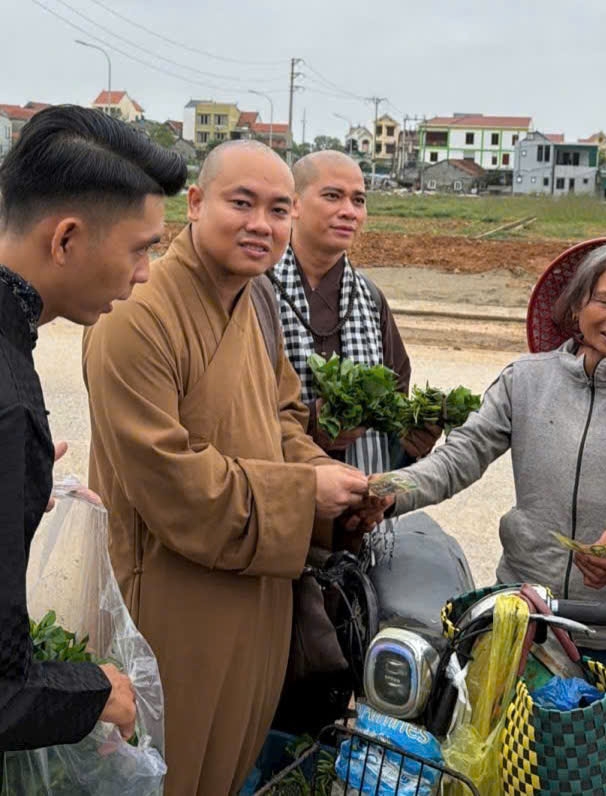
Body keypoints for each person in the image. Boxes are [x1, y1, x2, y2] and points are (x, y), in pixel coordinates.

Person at [370, 240, 606, 796]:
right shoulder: (525, 381)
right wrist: (388, 490)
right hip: (529, 629)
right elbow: (461, 456)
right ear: (577, 305)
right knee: (520, 778)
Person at [82, 140, 370, 795]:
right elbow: (169, 477)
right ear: (194, 203)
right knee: (165, 771)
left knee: (230, 766)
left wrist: (336, 484)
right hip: (170, 595)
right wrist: (304, 493)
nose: (260, 225)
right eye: (241, 203)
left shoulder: (255, 301)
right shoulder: (137, 314)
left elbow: (284, 421)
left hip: (259, 584)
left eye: (277, 210)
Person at [0, 105, 186, 751]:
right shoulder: (12, 405)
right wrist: (98, 692)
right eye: (139, 250)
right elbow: (4, 694)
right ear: (66, 239)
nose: (143, 275)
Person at [270, 150, 439, 490]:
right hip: (280, 493)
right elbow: (230, 409)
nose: (349, 211)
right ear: (294, 204)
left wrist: (413, 436)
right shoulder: (256, 291)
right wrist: (310, 425)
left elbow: (394, 403)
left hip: (356, 503)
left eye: (358, 200)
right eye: (333, 196)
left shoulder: (369, 299)